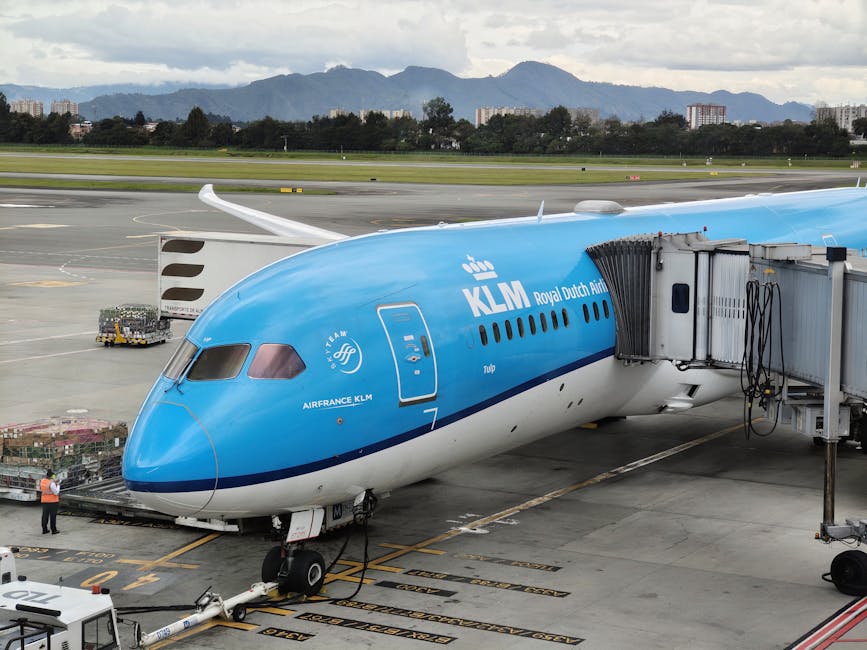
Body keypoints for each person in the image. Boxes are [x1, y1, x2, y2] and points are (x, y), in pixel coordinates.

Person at [40, 469, 60, 534]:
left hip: (44, 501)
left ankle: (44, 530)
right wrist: (58, 485)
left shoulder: (42, 481)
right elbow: (56, 492)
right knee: (53, 516)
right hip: (53, 502)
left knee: (45, 516)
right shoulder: (52, 483)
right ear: (52, 476)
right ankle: (53, 530)